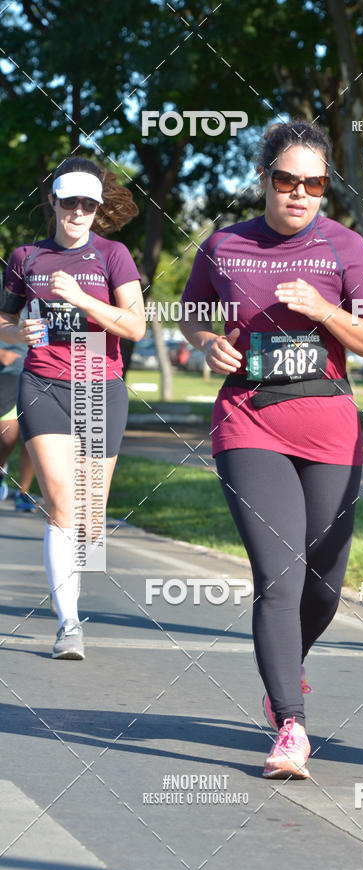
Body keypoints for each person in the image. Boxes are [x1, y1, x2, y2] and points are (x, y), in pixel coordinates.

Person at [179, 121, 363, 779]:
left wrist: (323, 311)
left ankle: (286, 661)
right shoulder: (225, 245)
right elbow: (192, 313)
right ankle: (289, 724)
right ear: (266, 179)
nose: (299, 193)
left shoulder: (345, 246)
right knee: (279, 576)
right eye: (286, 180)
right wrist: (201, 342)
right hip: (249, 422)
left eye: (314, 182)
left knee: (324, 585)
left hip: (329, 426)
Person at [0, 156, 145, 659]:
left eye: (88, 204)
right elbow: (3, 324)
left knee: (89, 518)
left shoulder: (114, 256)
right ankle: (69, 624)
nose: (78, 212)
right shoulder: (26, 257)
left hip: (99, 385)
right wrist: (17, 333)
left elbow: (134, 327)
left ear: (97, 208)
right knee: (61, 504)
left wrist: (83, 299)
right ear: (54, 203)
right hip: (42, 384)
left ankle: (75, 595)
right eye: (70, 202)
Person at [0, 335, 36, 510]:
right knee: (7, 439)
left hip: (36, 375)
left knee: (33, 439)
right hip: (6, 375)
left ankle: (23, 493)